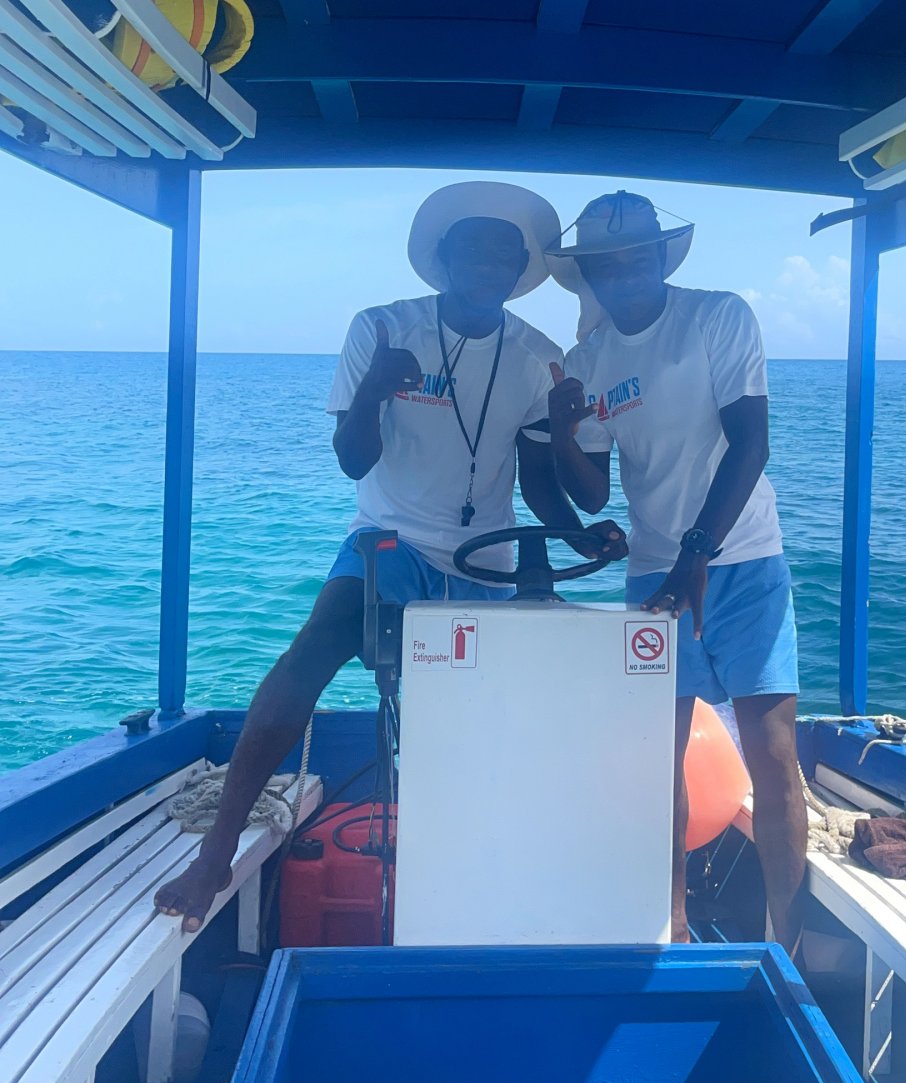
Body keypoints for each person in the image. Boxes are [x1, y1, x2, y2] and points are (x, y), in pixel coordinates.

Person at [155, 181, 623, 932]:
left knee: (502, 708)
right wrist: (375, 387)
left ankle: (507, 856)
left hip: (484, 559)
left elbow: (538, 482)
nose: (490, 261)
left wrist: (577, 535)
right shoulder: (379, 328)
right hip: (391, 541)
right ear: (439, 261)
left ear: (520, 268)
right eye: (473, 246)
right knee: (315, 645)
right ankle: (215, 848)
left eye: (506, 251)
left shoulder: (541, 357)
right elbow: (351, 460)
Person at [544, 192, 807, 954]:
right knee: (656, 761)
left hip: (743, 556)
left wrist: (697, 556)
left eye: (639, 258)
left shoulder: (718, 317)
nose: (625, 274)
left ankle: (787, 941)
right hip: (656, 575)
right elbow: (592, 490)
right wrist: (563, 434)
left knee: (773, 750)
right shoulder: (590, 360)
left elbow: (750, 445)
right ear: (588, 272)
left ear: (662, 258)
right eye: (608, 264)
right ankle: (674, 925)